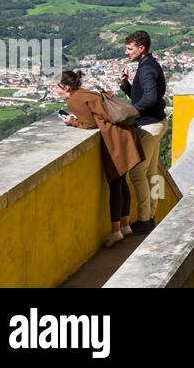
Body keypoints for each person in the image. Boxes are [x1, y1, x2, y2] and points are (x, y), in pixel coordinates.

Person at [54, 69, 142, 248]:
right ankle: (125, 226)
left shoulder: (74, 100)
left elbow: (90, 124)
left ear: (66, 87)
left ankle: (116, 231)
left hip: (114, 140)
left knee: (115, 184)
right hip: (124, 135)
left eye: (57, 87)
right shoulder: (85, 93)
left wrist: (71, 121)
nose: (55, 90)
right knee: (122, 182)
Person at [117, 29, 166, 234]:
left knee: (137, 173)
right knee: (153, 173)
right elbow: (145, 95)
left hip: (148, 126)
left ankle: (145, 219)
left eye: (129, 49)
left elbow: (150, 98)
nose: (126, 53)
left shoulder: (146, 68)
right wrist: (126, 86)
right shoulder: (149, 64)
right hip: (159, 123)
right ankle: (153, 214)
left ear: (141, 48)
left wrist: (131, 113)